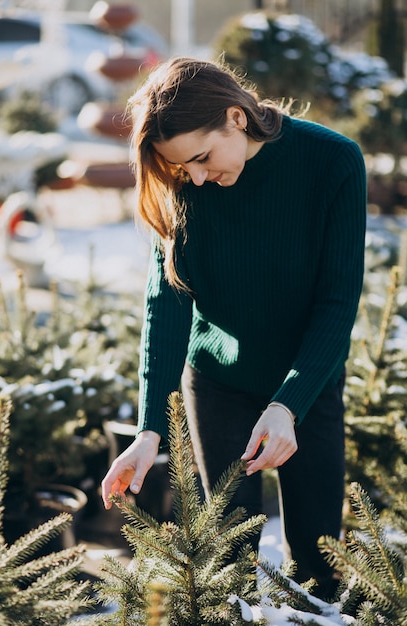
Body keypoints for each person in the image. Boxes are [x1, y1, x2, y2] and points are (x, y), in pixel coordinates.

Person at [101, 57, 366, 599]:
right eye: (183, 168)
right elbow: (166, 304)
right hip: (217, 386)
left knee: (318, 561)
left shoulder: (333, 162)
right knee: (226, 568)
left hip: (307, 387)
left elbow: (337, 305)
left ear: (236, 118)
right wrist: (150, 430)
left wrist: (288, 404)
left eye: (202, 157)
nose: (197, 177)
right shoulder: (184, 179)